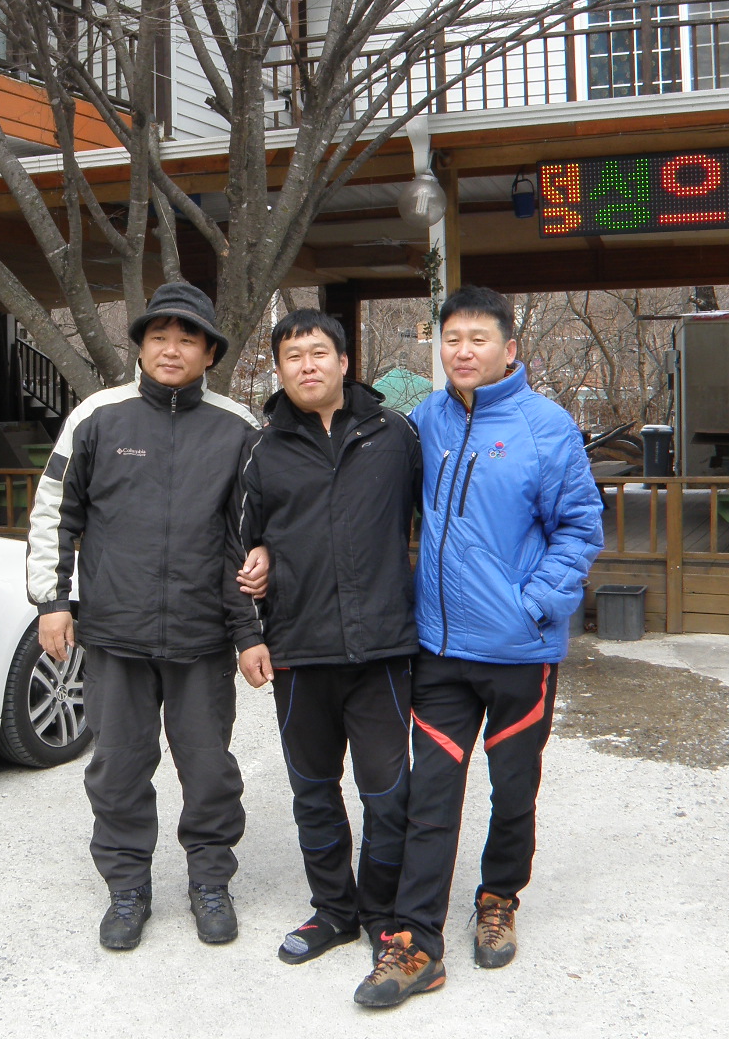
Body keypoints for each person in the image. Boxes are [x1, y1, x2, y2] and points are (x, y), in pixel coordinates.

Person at [354, 285, 604, 1009]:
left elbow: (580, 527)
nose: (462, 351)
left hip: (520, 652)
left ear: (509, 349)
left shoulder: (546, 428)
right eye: (452, 339)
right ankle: (415, 942)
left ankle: (498, 897)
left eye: (478, 339)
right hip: (439, 651)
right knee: (430, 795)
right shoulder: (425, 421)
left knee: (514, 788)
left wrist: (536, 605)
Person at [26, 281, 259, 952]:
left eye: (188, 339)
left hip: (201, 637)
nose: (172, 349)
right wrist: (53, 601)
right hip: (115, 632)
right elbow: (54, 511)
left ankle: (210, 881)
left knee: (209, 770)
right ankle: (127, 888)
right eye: (160, 336)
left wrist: (249, 631)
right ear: (141, 346)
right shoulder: (98, 417)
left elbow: (249, 539)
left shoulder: (238, 428)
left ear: (209, 353)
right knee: (118, 768)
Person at [232, 309, 421, 966]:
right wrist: (248, 634)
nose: (306, 365)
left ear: (344, 362)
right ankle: (334, 911)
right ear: (278, 370)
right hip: (298, 649)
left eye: (319, 353)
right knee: (313, 791)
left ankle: (383, 913)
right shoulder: (261, 450)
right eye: (293, 356)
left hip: (383, 649)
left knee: (388, 793)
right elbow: (236, 547)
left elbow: (437, 520)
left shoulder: (395, 434)